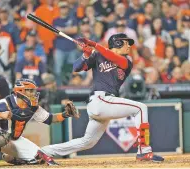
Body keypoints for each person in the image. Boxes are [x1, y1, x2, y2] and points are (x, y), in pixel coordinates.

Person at [38, 33, 164, 165]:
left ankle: (46, 151)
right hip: (99, 100)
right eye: (126, 42)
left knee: (88, 142)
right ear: (117, 43)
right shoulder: (98, 55)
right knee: (141, 108)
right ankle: (144, 150)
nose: (129, 46)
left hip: (105, 103)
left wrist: (94, 44)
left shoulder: (127, 60)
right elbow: (76, 68)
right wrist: (85, 55)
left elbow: (111, 56)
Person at [0, 78, 79, 165]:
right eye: (30, 91)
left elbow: (50, 118)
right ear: (20, 91)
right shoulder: (3, 103)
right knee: (0, 138)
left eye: (33, 91)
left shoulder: (33, 107)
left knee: (39, 157)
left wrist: (66, 114)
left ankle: (12, 157)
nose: (33, 94)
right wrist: (0, 115)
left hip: (13, 139)